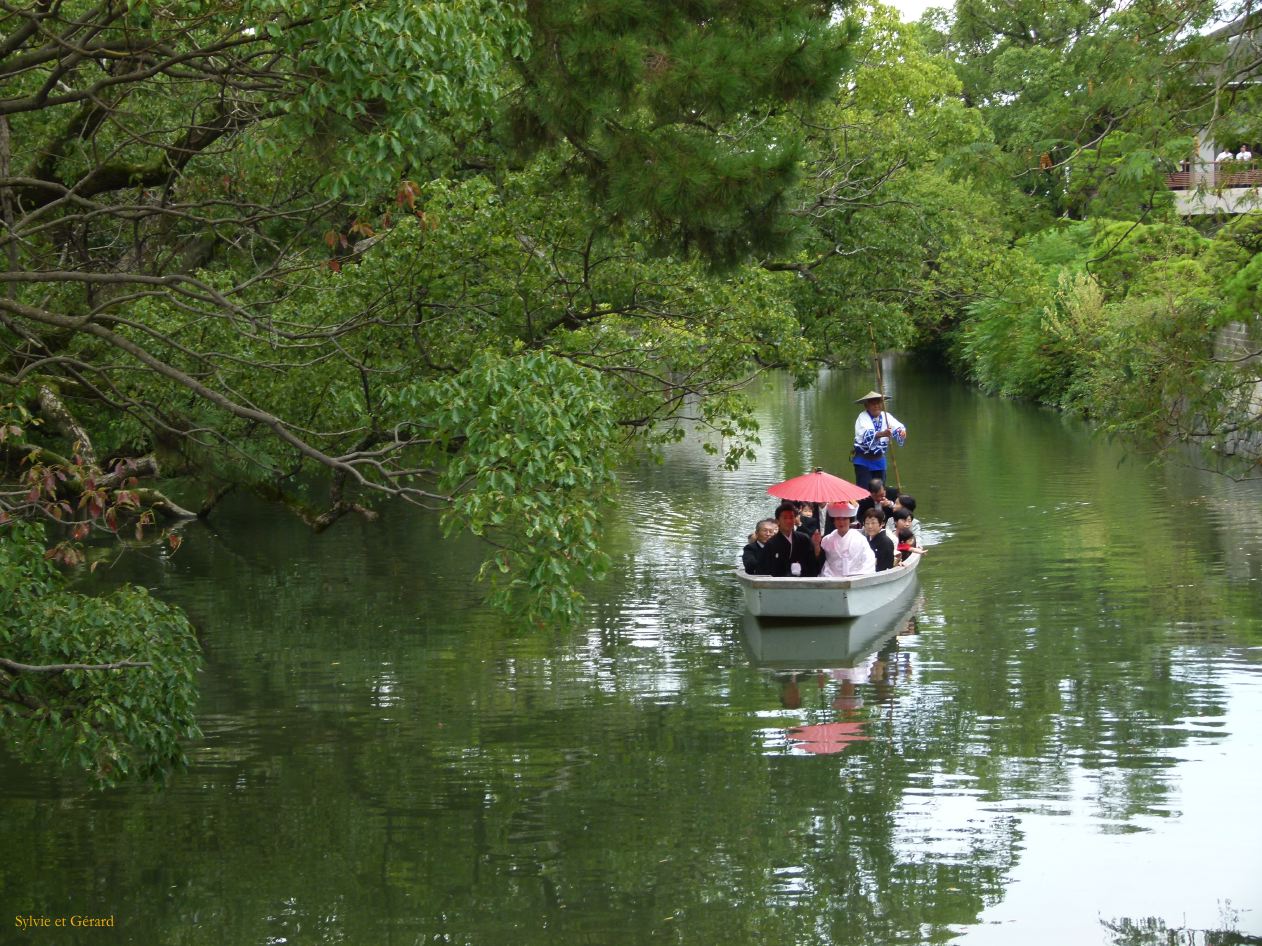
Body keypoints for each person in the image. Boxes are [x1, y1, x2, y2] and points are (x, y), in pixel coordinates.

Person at [852, 391, 906, 491]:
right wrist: (882, 434)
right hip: (863, 460)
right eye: (873, 403)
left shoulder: (886, 416)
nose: (876, 406)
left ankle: (879, 506)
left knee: (879, 491)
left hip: (879, 460)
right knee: (864, 491)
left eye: (878, 403)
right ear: (866, 406)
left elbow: (897, 426)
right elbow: (867, 434)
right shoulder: (862, 417)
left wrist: (901, 432)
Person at [765, 502, 822, 577]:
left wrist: (816, 546)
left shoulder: (804, 539)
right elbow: (764, 571)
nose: (789, 521)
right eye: (785, 518)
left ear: (795, 519)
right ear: (777, 521)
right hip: (779, 584)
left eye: (791, 517)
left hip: (803, 582)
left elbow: (813, 564)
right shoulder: (771, 543)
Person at [818, 503, 875, 578]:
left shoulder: (860, 539)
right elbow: (823, 562)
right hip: (832, 579)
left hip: (855, 578)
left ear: (850, 520)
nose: (841, 522)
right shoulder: (827, 540)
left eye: (845, 519)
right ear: (834, 521)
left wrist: (859, 576)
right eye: (838, 519)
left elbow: (869, 560)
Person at [862, 507, 896, 572]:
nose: (870, 526)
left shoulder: (886, 542)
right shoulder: (865, 539)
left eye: (873, 523)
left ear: (882, 524)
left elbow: (884, 568)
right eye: (867, 523)